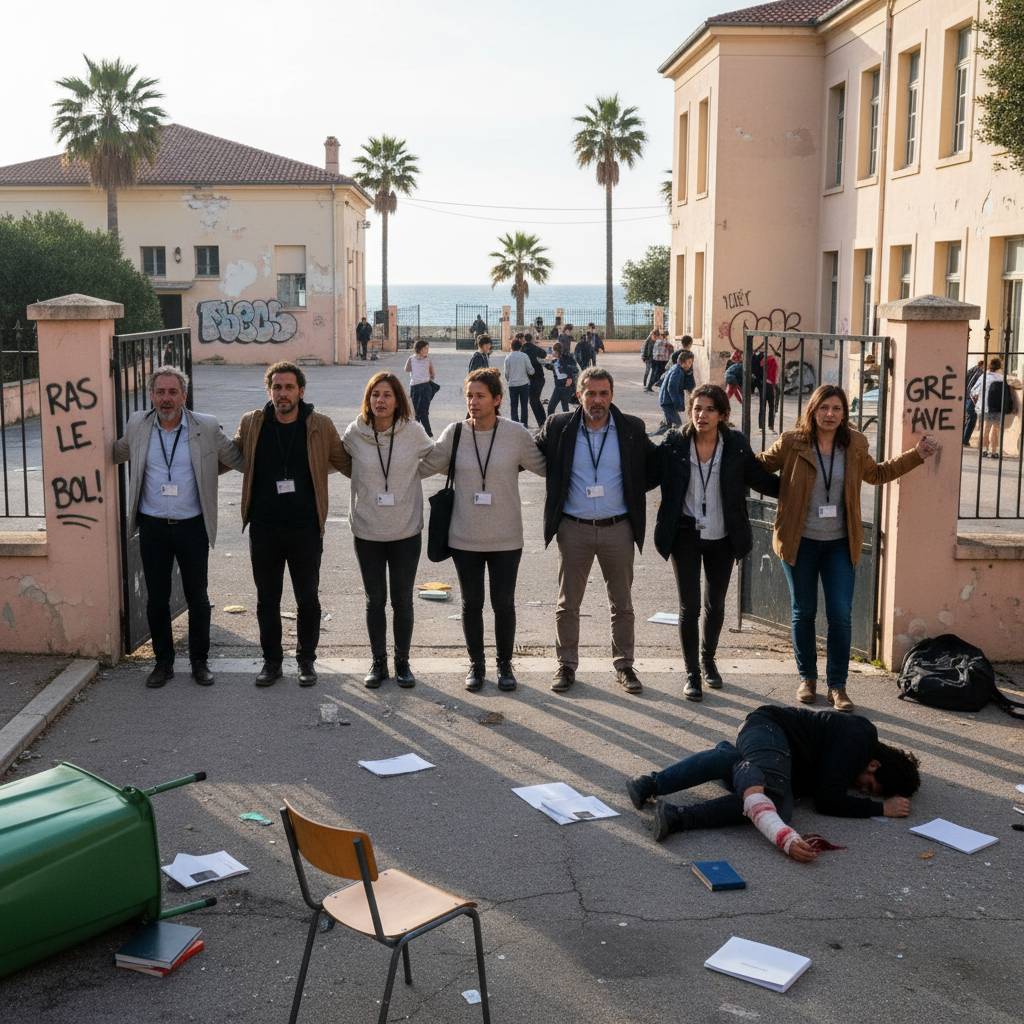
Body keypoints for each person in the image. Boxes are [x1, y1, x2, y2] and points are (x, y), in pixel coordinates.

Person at [757, 384, 937, 712]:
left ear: (844, 413)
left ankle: (838, 686)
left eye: (836, 409)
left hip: (840, 543)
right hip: (799, 541)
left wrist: (916, 455)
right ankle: (808, 679)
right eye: (824, 408)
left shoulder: (855, 443)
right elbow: (758, 468)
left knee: (840, 615)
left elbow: (877, 473)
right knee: (804, 612)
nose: (830, 414)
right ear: (813, 410)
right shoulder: (792, 442)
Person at [626, 705, 921, 858]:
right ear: (874, 764)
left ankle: (649, 784)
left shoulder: (855, 749)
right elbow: (828, 799)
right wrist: (880, 809)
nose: (860, 790)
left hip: (762, 739)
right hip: (769, 732)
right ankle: (677, 817)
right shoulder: (858, 741)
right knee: (776, 803)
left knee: (738, 768)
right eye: (868, 786)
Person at [113, 366, 243, 689]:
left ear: (184, 396)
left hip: (192, 526)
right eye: (160, 392)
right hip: (153, 527)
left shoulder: (206, 426)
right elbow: (117, 453)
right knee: (157, 598)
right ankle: (163, 662)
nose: (166, 399)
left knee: (197, 596)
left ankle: (200, 662)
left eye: (173, 392)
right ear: (151, 396)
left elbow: (237, 457)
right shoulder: (137, 426)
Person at [535, 367, 658, 695]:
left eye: (604, 393)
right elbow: (525, 455)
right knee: (568, 602)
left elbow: (653, 467)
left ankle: (624, 665)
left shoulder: (631, 428)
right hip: (573, 528)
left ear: (612, 395)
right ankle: (566, 665)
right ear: (579, 395)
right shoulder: (559, 427)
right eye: (591, 393)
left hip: (617, 528)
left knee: (622, 603)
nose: (598, 400)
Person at [653, 385, 779, 701]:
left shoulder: (734, 445)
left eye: (709, 409)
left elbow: (760, 479)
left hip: (723, 535)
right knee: (689, 606)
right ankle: (692, 673)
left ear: (722, 415)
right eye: (697, 408)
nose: (701, 415)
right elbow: (645, 473)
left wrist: (802, 486)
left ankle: (708, 660)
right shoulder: (675, 443)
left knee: (716, 604)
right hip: (685, 534)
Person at [429, 368, 546, 692]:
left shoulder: (516, 434)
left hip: (506, 537)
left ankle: (505, 666)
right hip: (464, 536)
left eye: (480, 396)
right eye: (469, 395)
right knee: (471, 603)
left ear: (497, 399)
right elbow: (424, 464)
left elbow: (547, 466)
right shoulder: (454, 433)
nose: (473, 401)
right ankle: (476, 665)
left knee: (504, 603)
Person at [234, 361, 350, 688]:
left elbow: (347, 463)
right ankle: (272, 662)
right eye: (277, 387)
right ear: (269, 390)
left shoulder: (320, 425)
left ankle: (306, 660)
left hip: (305, 529)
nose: (283, 394)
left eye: (289, 387)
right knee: (267, 599)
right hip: (264, 528)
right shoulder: (253, 423)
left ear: (301, 390)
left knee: (307, 598)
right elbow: (227, 456)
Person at [343, 373, 433, 689]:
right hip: (367, 531)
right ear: (368, 400)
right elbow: (337, 460)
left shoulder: (414, 433)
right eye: (375, 395)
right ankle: (378, 662)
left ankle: (403, 663)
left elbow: (437, 459)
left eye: (387, 395)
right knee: (374, 599)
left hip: (406, 531)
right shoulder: (355, 433)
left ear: (398, 401)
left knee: (402, 600)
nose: (380, 401)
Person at [969, 356, 1011, 458]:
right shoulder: (1002, 378)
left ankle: (984, 450)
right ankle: (994, 451)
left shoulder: (984, 377)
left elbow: (973, 391)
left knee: (985, 428)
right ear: (999, 367)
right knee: (995, 429)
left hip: (985, 407)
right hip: (998, 407)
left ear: (989, 366)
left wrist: (976, 402)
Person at [404, 339, 437, 437]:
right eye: (425, 348)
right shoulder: (411, 358)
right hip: (414, 387)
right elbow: (406, 369)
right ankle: (417, 433)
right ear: (419, 349)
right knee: (415, 412)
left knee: (423, 411)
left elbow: (433, 374)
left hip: (425, 387)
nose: (427, 350)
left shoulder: (428, 360)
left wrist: (427, 377)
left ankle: (428, 433)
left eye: (428, 348)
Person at [503, 336, 534, 425]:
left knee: (514, 406)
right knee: (524, 406)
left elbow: (506, 374)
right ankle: (524, 424)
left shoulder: (508, 358)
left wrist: (510, 380)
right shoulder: (524, 356)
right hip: (524, 384)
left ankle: (515, 425)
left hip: (512, 385)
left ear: (511, 347)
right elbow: (531, 371)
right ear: (520, 347)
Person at [652, 351, 684, 436]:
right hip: (668, 402)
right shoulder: (677, 371)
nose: (690, 365)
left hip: (665, 400)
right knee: (678, 424)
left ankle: (652, 435)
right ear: (681, 362)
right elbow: (672, 388)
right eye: (689, 362)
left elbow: (662, 378)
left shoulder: (674, 368)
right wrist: (678, 404)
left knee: (667, 424)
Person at [522, 331, 548, 427]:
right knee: (535, 400)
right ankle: (542, 421)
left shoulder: (522, 349)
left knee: (534, 400)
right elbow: (544, 354)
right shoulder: (534, 348)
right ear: (532, 339)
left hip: (529, 379)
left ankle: (542, 422)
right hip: (539, 377)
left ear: (525, 339)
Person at [545, 341, 578, 415]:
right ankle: (552, 423)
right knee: (552, 407)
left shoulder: (567, 358)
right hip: (558, 386)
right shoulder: (555, 361)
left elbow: (573, 369)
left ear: (556, 351)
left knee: (563, 408)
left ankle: (566, 424)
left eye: (553, 351)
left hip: (565, 387)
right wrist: (548, 366)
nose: (552, 353)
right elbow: (555, 369)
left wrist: (568, 375)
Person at [962, 358, 986, 446]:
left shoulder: (973, 369)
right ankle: (964, 440)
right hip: (972, 398)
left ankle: (962, 439)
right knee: (972, 418)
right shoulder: (981, 373)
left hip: (966, 396)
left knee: (968, 418)